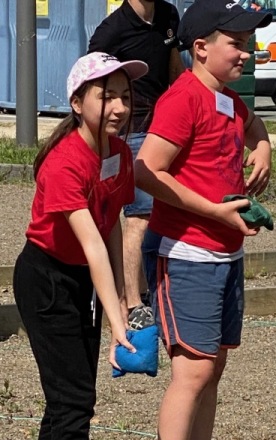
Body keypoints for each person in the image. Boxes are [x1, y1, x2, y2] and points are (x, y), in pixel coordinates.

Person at [134, 0, 272, 440]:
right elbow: (147, 170)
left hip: (226, 254)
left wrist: (263, 145)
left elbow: (251, 124)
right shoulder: (183, 98)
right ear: (200, 48)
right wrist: (214, 211)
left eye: (247, 42)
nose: (246, 52)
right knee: (191, 373)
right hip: (187, 254)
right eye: (235, 43)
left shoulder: (227, 100)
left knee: (211, 370)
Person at [14, 52, 148, 440]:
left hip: (82, 282)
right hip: (46, 280)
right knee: (73, 399)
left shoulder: (120, 153)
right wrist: (118, 323)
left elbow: (110, 227)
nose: (119, 106)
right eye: (106, 96)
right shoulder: (64, 160)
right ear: (77, 102)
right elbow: (90, 245)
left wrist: (125, 301)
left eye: (125, 96)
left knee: (68, 394)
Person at [88, 0, 185, 330]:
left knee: (157, 212)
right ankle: (133, 303)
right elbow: (92, 88)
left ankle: (148, 292)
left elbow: (175, 71)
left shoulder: (169, 15)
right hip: (130, 131)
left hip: (163, 129)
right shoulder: (111, 31)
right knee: (139, 216)